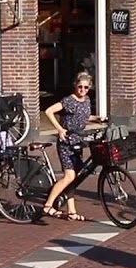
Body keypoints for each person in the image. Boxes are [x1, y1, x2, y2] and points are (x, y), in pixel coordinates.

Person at [42, 72, 105, 221]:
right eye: (80, 86)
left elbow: (82, 116)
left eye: (86, 87)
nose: (82, 90)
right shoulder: (68, 100)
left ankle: (72, 211)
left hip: (78, 142)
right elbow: (49, 111)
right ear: (75, 86)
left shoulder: (87, 100)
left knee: (74, 178)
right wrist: (59, 129)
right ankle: (48, 205)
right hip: (66, 143)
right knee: (69, 176)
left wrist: (97, 118)